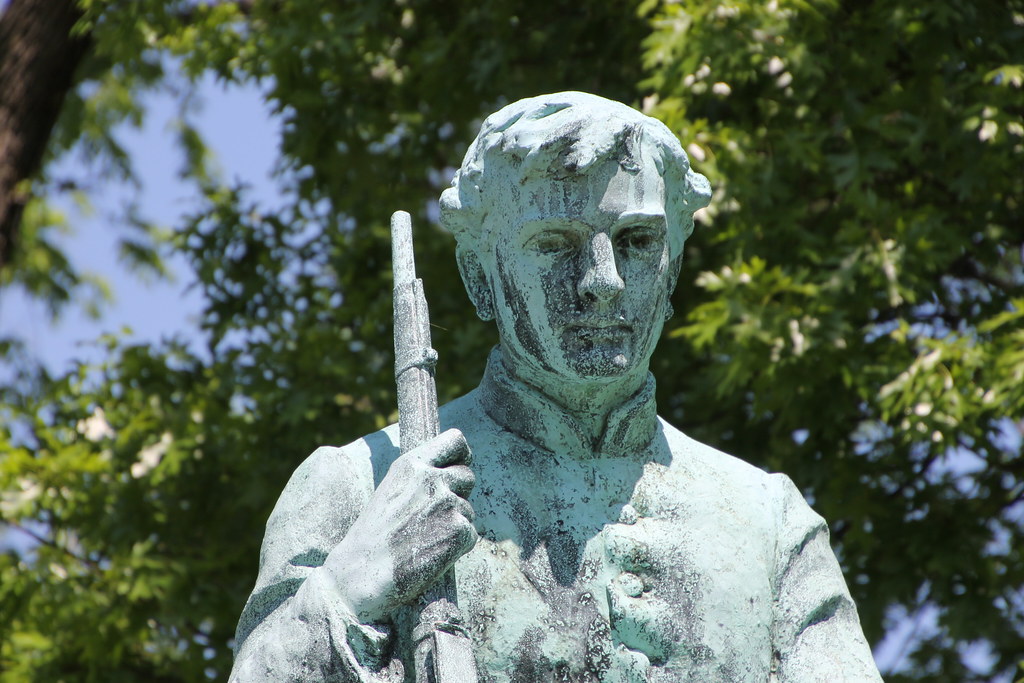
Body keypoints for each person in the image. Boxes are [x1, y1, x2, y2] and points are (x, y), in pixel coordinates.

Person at [229, 92, 883, 682]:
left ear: (675, 262)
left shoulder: (769, 523)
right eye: (554, 241)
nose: (604, 278)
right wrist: (350, 588)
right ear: (479, 276)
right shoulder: (357, 486)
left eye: (635, 240)